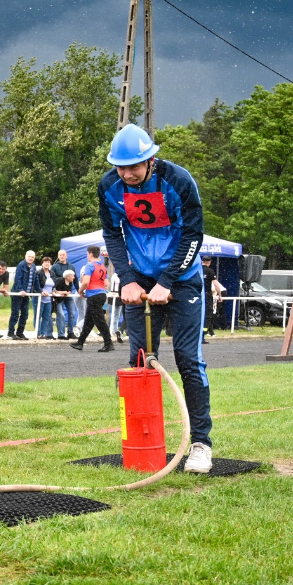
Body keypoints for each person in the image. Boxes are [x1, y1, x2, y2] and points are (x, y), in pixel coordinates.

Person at [99, 123, 213, 473]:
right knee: (140, 361)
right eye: (121, 167)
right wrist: (128, 280)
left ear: (151, 159)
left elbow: (194, 233)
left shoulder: (178, 180)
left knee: (187, 359)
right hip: (140, 282)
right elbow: (111, 234)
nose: (128, 174)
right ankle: (143, 439)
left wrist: (168, 280)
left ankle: (201, 444)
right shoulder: (109, 186)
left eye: (134, 166)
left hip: (183, 279)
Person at [71, 245, 115, 353]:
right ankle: (80, 342)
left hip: (93, 295)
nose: (87, 256)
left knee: (99, 321)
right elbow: (106, 283)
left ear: (90, 253)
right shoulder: (102, 266)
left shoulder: (89, 266)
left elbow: (85, 282)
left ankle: (108, 343)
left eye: (87, 254)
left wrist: (80, 290)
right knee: (89, 321)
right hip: (101, 294)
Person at [9, 250, 38, 340]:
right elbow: (17, 279)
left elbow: (35, 280)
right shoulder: (21, 265)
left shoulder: (33, 266)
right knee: (15, 314)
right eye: (29, 256)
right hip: (18, 294)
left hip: (27, 294)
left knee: (25, 314)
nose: (31, 258)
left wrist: (39, 290)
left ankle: (20, 332)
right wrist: (21, 290)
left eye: (32, 257)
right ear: (25, 256)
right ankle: (11, 333)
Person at [36, 256, 56, 340]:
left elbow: (54, 284)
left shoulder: (52, 273)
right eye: (45, 262)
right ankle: (38, 333)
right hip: (40, 297)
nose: (47, 263)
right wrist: (41, 291)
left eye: (48, 262)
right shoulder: (38, 272)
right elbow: (36, 284)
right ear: (42, 263)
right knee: (38, 316)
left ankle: (44, 334)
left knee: (46, 316)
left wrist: (54, 291)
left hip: (49, 299)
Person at [55, 269, 78, 339]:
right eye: (73, 276)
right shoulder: (60, 281)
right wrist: (63, 292)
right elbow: (54, 290)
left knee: (72, 313)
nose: (74, 277)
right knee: (61, 315)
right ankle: (61, 334)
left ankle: (70, 332)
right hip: (58, 299)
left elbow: (69, 290)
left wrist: (67, 293)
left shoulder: (70, 282)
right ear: (68, 277)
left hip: (67, 298)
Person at [200, 256, 218, 339]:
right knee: (208, 314)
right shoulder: (210, 271)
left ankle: (199, 333)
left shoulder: (197, 269)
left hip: (197, 294)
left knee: (199, 314)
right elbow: (216, 284)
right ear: (209, 262)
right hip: (207, 295)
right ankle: (203, 333)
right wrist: (220, 295)